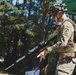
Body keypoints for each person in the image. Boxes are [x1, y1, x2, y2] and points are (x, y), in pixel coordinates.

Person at [37, 2, 76, 75]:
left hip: (67, 61)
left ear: (59, 13)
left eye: (53, 15)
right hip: (63, 60)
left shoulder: (66, 25)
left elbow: (62, 43)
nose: (53, 18)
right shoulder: (64, 25)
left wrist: (47, 50)